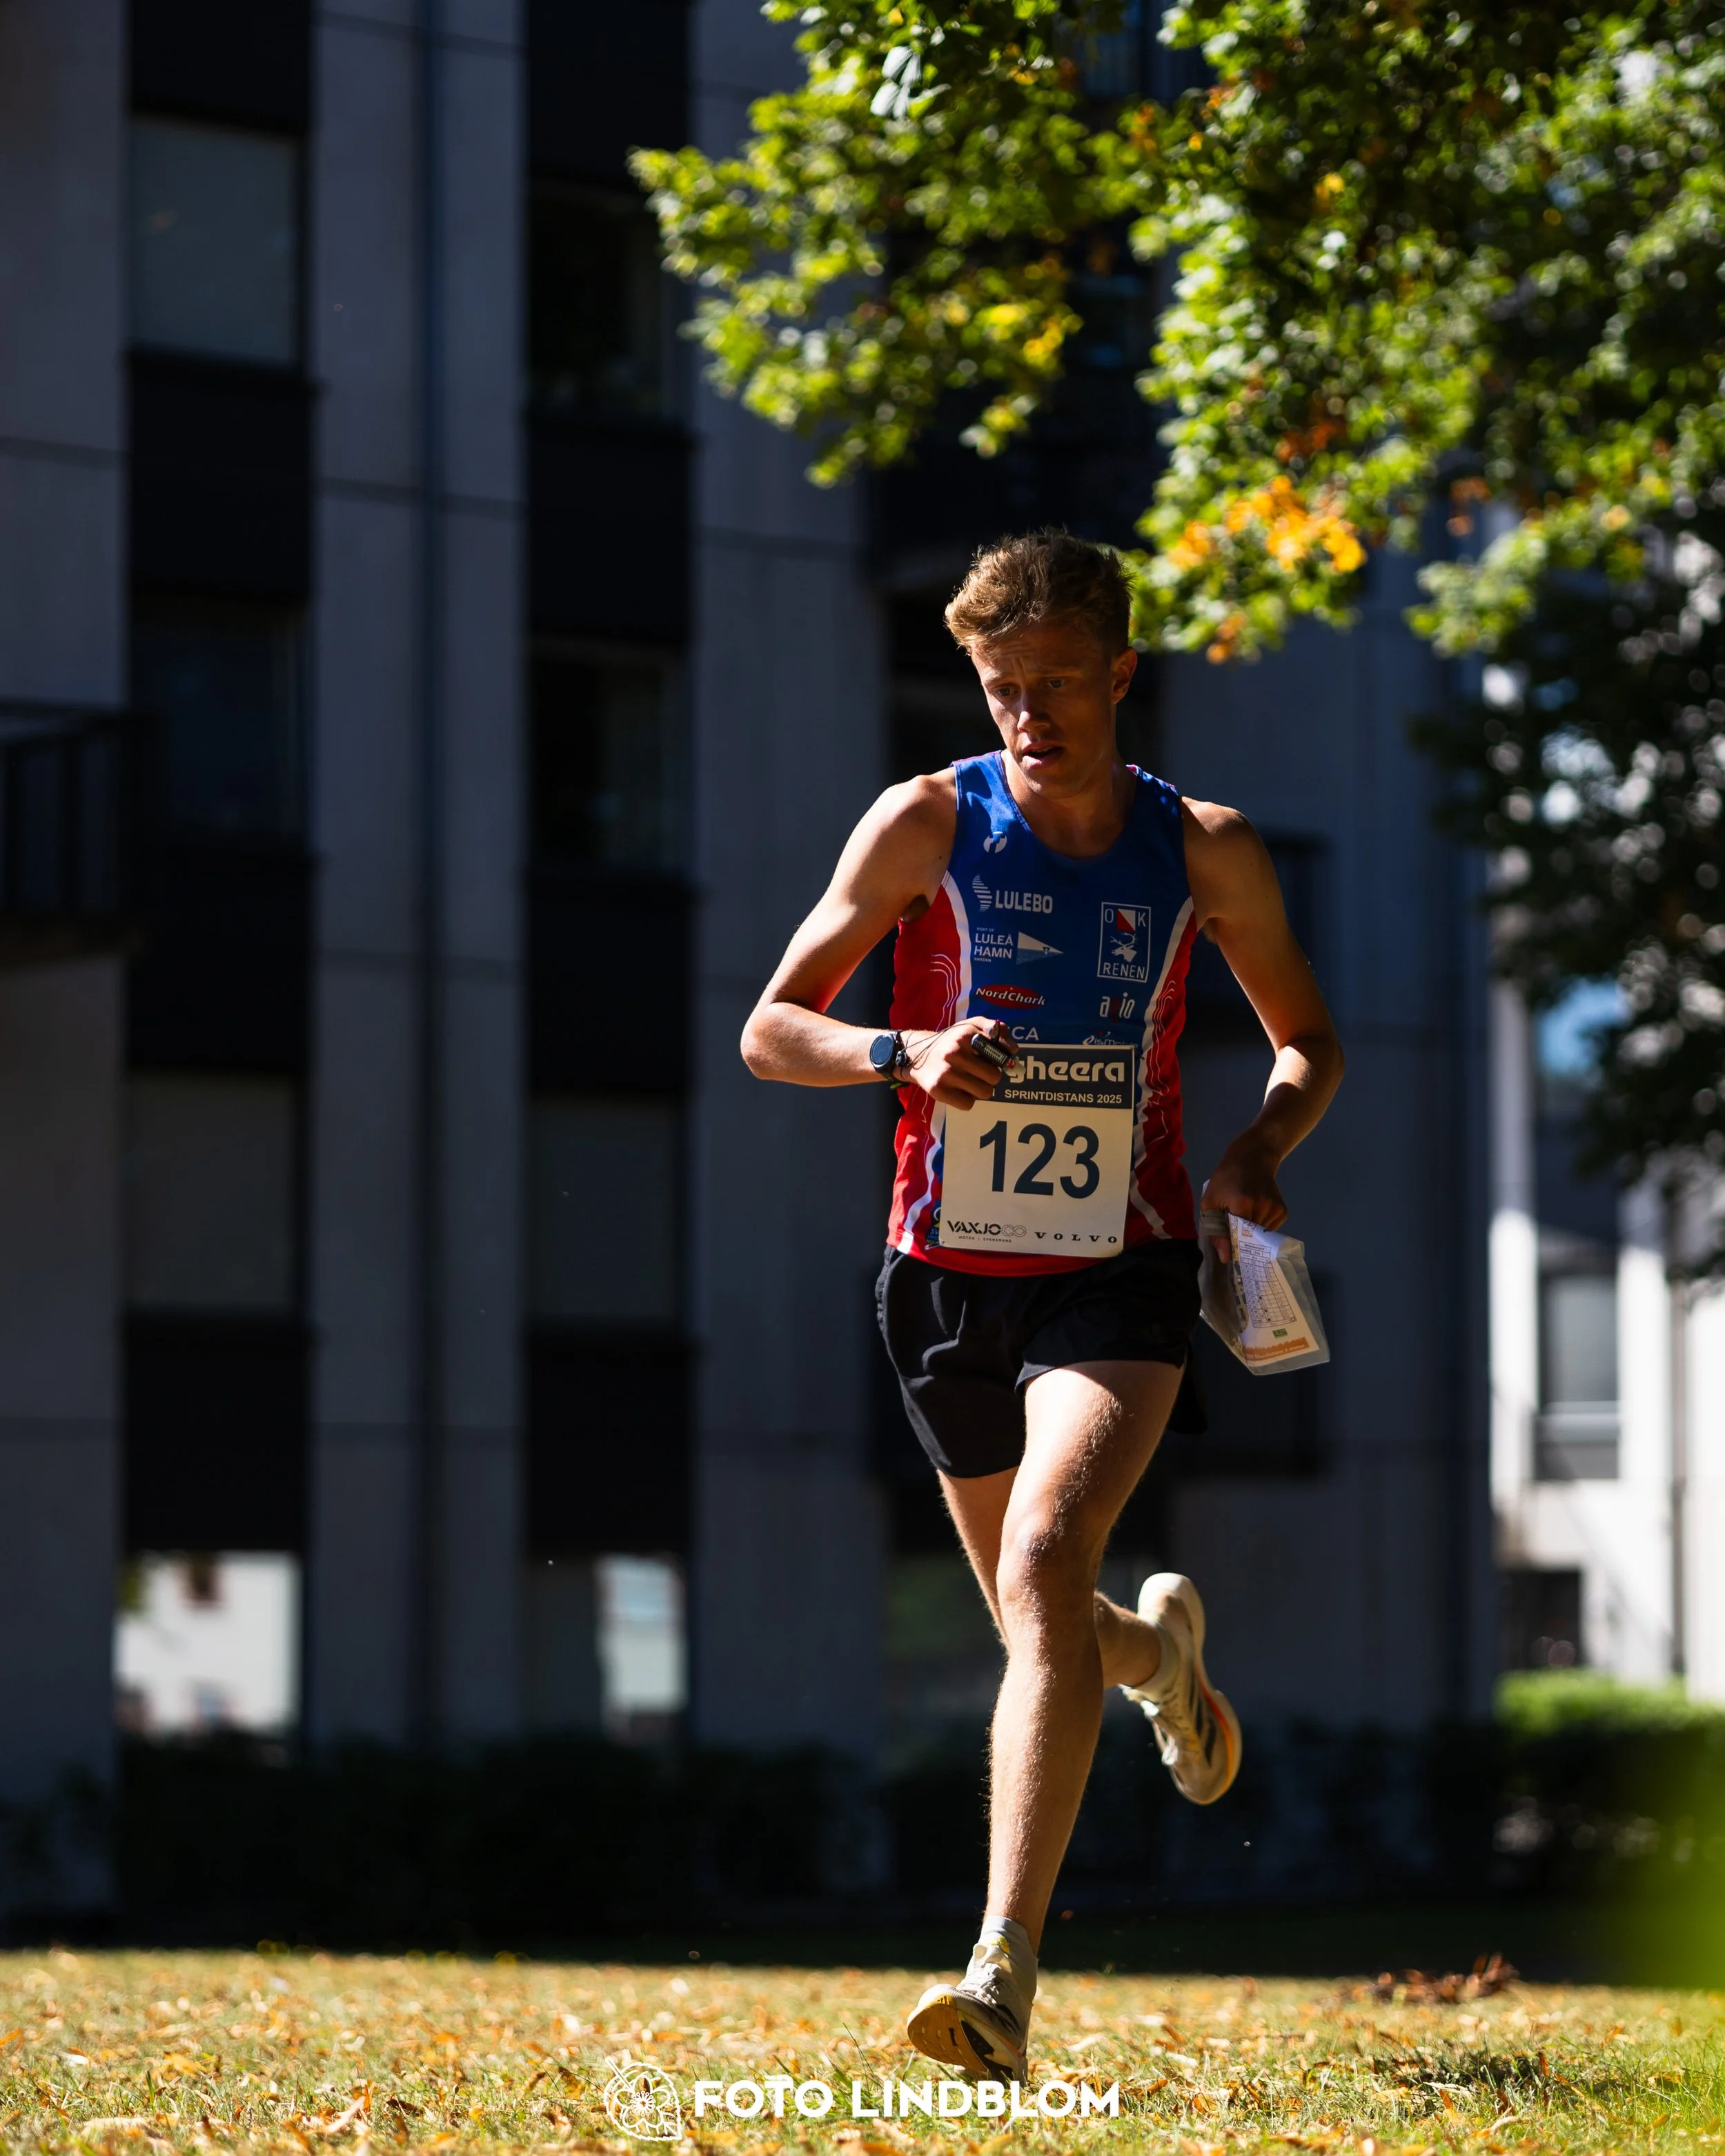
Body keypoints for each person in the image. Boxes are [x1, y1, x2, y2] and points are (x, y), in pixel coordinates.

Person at [740, 531, 1343, 2081]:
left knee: (1045, 1553)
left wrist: (1259, 1144)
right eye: (1004, 689)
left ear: (1121, 674)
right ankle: (1158, 1661)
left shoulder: (1201, 846)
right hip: (942, 1275)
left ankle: (996, 1971)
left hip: (1118, 1267)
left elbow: (1305, 1040)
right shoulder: (927, 821)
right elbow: (770, 1026)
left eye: (1058, 684)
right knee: (1040, 1617)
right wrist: (900, 1050)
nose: (1030, 718)